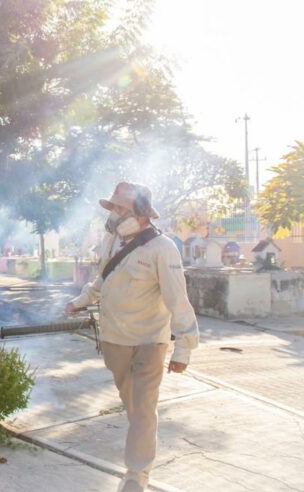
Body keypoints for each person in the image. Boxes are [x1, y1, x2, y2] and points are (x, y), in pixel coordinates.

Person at [65, 182, 199, 492]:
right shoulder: (113, 241)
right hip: (115, 342)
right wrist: (81, 301)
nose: (113, 214)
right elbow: (102, 278)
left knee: (142, 409)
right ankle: (139, 460)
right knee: (133, 407)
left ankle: (136, 476)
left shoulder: (162, 249)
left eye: (121, 209)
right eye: (112, 208)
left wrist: (184, 351)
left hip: (149, 343)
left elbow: (178, 300)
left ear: (140, 214)